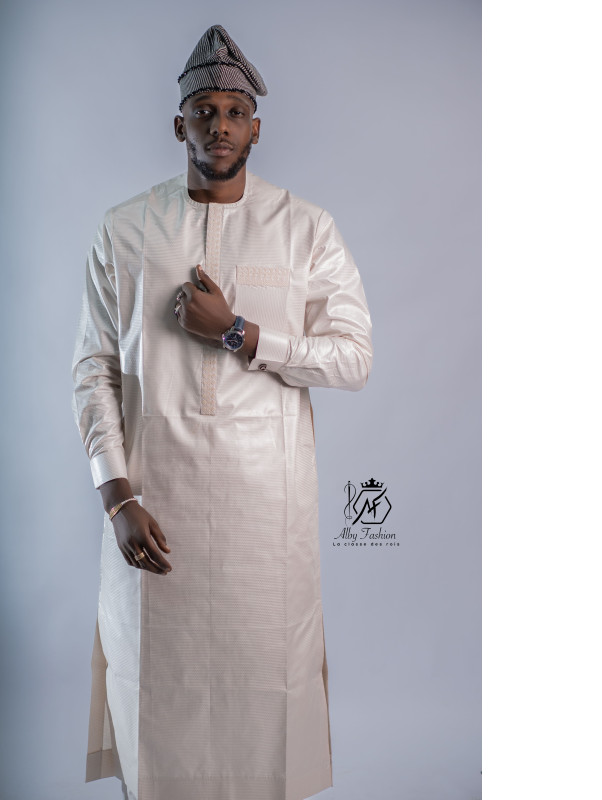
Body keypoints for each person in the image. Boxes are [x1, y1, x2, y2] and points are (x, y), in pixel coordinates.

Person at [72, 24, 373, 800]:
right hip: (155, 511)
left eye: (235, 112)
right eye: (203, 112)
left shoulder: (305, 230)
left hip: (263, 525)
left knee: (263, 701)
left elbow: (353, 358)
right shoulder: (124, 231)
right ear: (179, 125)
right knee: (156, 694)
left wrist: (240, 332)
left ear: (256, 128)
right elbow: (93, 370)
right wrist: (118, 497)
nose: (220, 126)